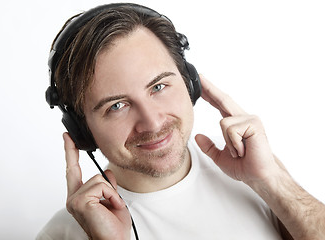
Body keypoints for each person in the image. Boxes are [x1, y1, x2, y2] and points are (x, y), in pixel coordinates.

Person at [38, 3, 325, 240]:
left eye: (158, 87)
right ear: (81, 129)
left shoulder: (258, 175)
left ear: (190, 83)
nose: (151, 123)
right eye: (117, 106)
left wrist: (274, 182)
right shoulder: (65, 234)